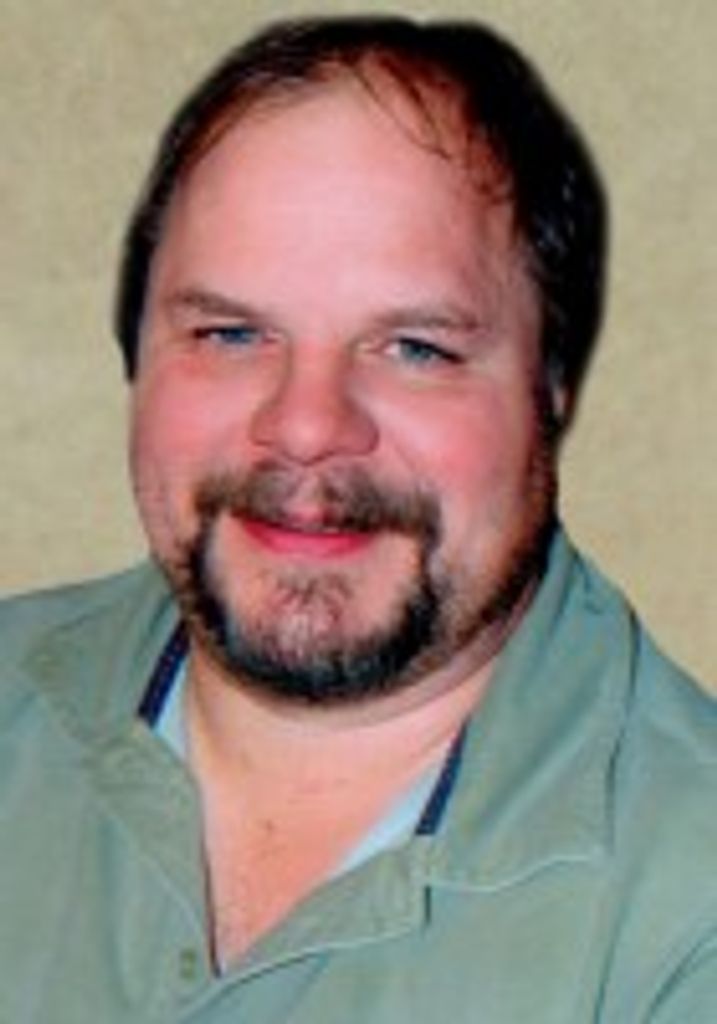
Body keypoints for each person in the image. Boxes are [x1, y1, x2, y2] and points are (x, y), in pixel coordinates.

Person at [1, 14, 715, 1023]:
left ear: (552, 385)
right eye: (231, 333)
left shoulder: (687, 918)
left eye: (415, 348)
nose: (305, 426)